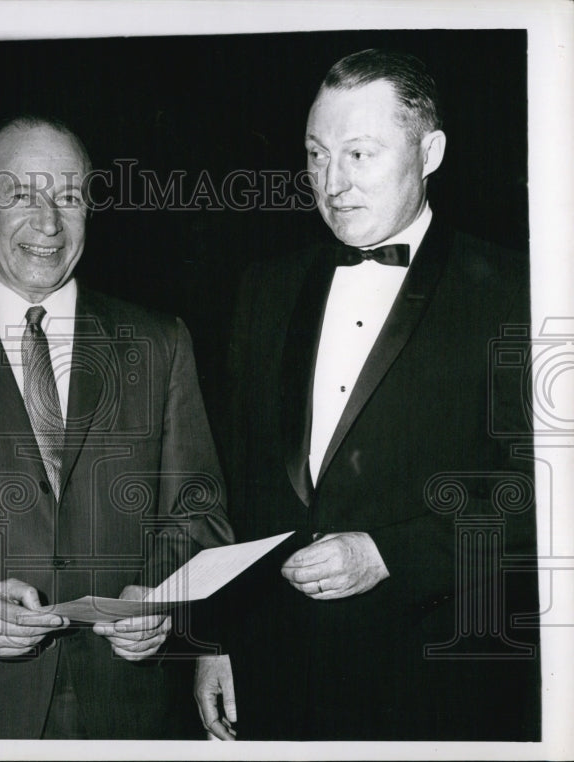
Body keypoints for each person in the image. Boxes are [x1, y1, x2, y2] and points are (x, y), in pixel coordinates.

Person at [195, 48, 539, 741]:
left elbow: (544, 492)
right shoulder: (263, 289)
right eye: (317, 155)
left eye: (360, 154)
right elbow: (233, 485)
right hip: (278, 679)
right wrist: (216, 639)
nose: (333, 183)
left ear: (430, 151)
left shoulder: (517, 291)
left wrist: (390, 553)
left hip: (438, 689)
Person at [0, 115, 234, 739]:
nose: (48, 222)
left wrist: (160, 599)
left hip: (130, 712)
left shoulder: (160, 341)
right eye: (20, 194)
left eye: (68, 196)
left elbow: (199, 514)